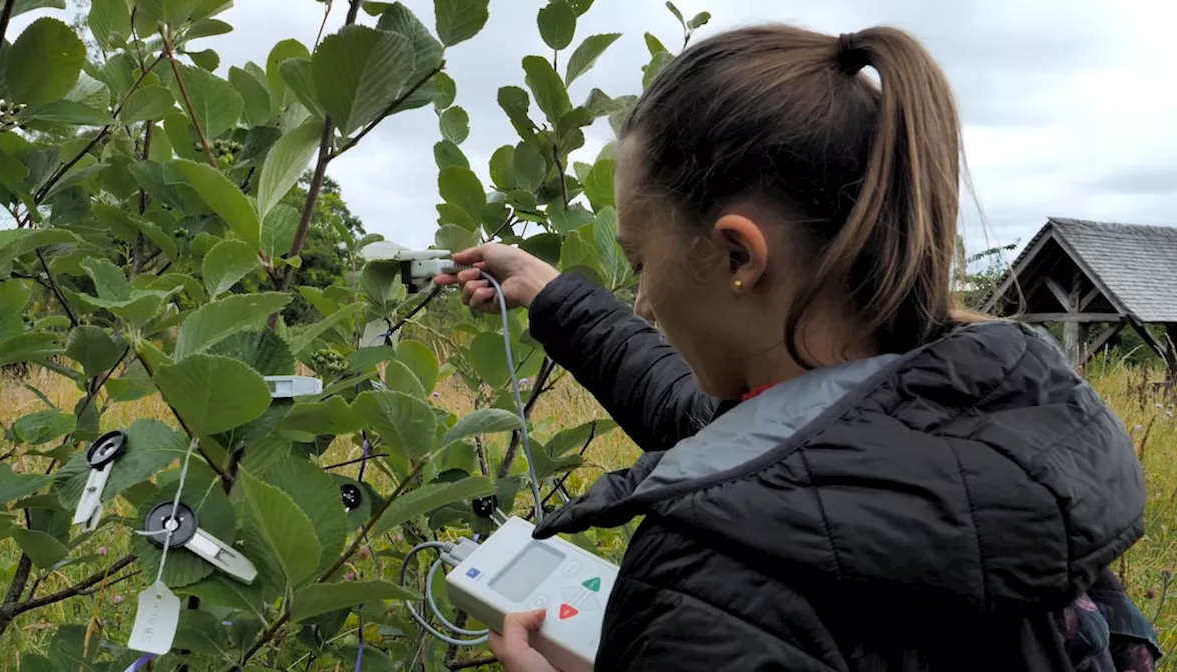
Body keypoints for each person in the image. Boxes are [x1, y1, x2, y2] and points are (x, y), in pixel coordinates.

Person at [435, 23, 1161, 672]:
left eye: (637, 259)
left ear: (738, 257)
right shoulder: (1003, 437)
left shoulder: (709, 584)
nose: (645, 301)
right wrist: (547, 291)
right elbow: (718, 429)